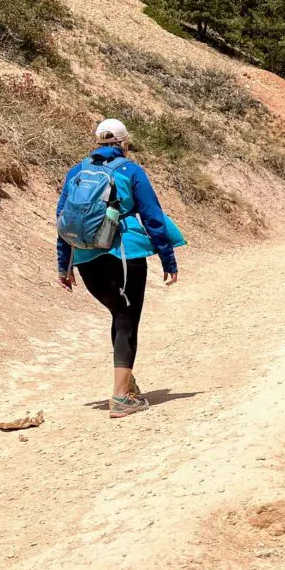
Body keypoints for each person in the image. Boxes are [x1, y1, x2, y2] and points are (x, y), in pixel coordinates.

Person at [56, 118, 185, 418]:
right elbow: (153, 217)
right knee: (127, 317)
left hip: (86, 258)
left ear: (97, 142)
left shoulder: (77, 171)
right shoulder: (131, 171)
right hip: (124, 255)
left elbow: (62, 221)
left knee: (118, 312)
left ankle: (125, 381)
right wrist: (168, 260)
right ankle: (120, 398)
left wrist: (65, 266)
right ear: (125, 143)